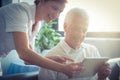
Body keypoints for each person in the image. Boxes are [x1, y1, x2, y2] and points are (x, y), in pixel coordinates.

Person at [0, 0, 82, 77]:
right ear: (41, 1)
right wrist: (62, 68)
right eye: (54, 8)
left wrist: (51, 60)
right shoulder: (20, 11)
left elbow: (28, 60)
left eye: (60, 12)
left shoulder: (36, 24)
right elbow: (24, 53)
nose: (56, 15)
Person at [38, 8, 111, 80]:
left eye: (84, 30)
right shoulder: (51, 57)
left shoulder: (92, 51)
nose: (80, 34)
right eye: (76, 29)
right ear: (65, 27)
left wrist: (102, 78)